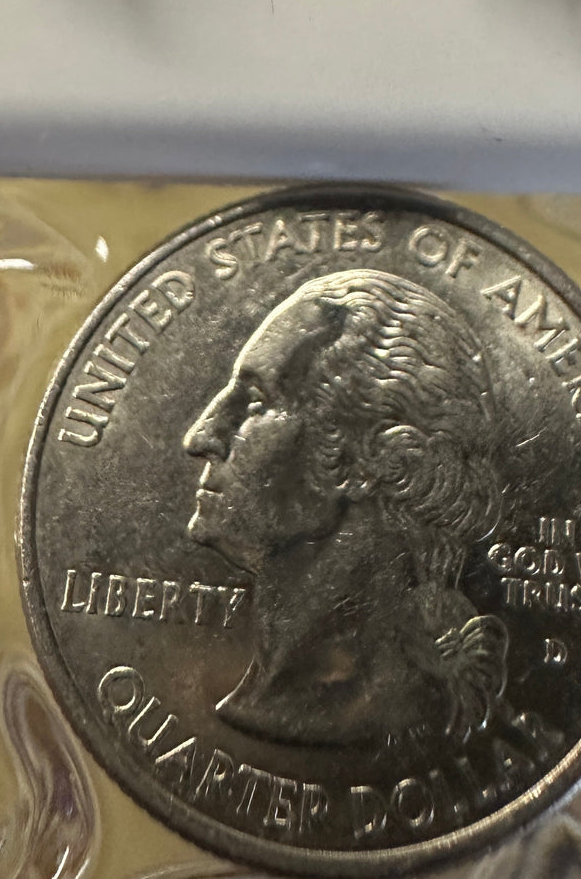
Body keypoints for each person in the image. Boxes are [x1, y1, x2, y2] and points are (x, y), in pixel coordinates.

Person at [182, 268, 508, 749]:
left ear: (367, 457)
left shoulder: (387, 713)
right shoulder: (276, 698)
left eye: (254, 403)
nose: (201, 437)